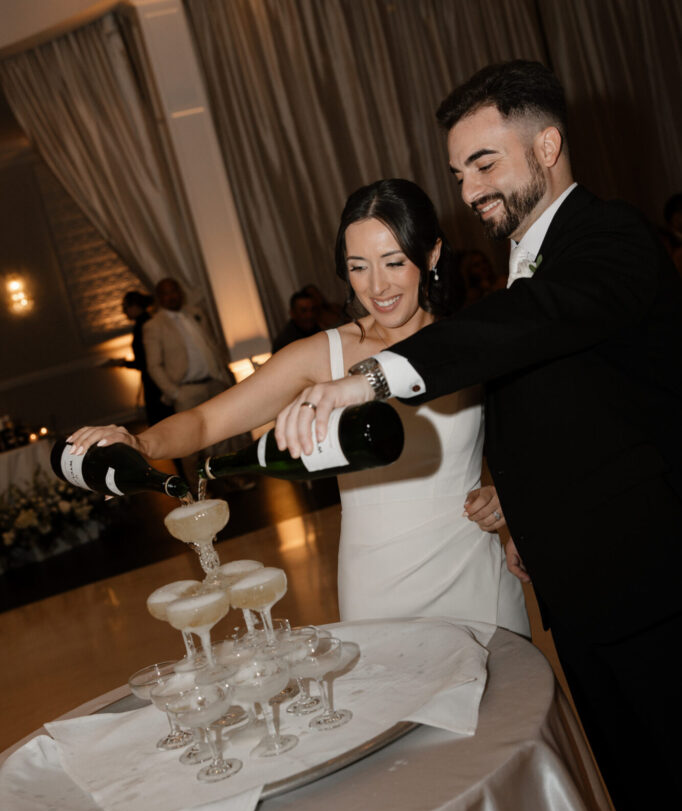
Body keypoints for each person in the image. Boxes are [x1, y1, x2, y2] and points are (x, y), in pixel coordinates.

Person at [275, 61, 682, 811]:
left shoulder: (609, 237)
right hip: (590, 605)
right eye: (458, 173)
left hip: (660, 596)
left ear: (547, 146)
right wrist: (514, 497)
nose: (467, 191)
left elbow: (531, 325)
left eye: (484, 164)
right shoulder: (523, 267)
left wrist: (370, 374)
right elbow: (573, 411)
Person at [67, 179, 529, 642]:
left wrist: (508, 496)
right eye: (358, 267)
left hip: (476, 575)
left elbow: (534, 441)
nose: (378, 286)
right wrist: (140, 442)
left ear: (431, 255)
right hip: (377, 584)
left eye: (393, 262)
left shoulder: (470, 340)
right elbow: (206, 420)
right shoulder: (320, 355)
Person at [143, 276, 251, 491]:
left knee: (222, 437)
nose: (172, 296)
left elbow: (213, 345)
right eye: (166, 292)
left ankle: (231, 478)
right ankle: (196, 490)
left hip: (213, 383)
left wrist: (224, 376)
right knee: (189, 443)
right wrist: (174, 393)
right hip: (186, 390)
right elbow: (154, 365)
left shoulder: (195, 313)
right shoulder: (154, 325)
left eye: (175, 290)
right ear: (159, 297)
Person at [106, 289, 172, 426]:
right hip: (154, 380)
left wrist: (123, 363)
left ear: (136, 306)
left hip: (155, 382)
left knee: (162, 421)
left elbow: (146, 362)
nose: (124, 312)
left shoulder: (145, 326)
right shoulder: (143, 324)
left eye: (126, 307)